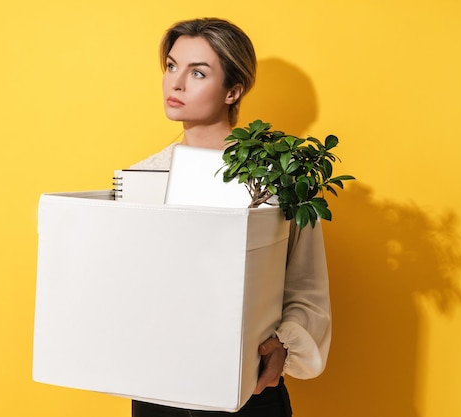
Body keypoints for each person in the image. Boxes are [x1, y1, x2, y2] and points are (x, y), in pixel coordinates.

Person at [131, 18, 331, 417]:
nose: (176, 83)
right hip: (156, 392)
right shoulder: (143, 178)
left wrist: (283, 347)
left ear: (233, 90)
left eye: (198, 73)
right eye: (171, 66)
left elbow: (308, 289)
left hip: (249, 392)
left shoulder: (279, 180)